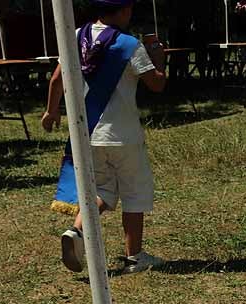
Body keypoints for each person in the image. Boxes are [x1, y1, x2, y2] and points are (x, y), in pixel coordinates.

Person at [43, 0, 167, 274]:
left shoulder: (75, 36)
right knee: (134, 194)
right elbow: (156, 83)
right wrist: (159, 58)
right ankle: (135, 257)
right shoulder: (129, 44)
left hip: (87, 134)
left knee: (101, 192)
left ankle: (75, 232)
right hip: (123, 136)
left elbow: (56, 80)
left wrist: (51, 112)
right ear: (123, 11)